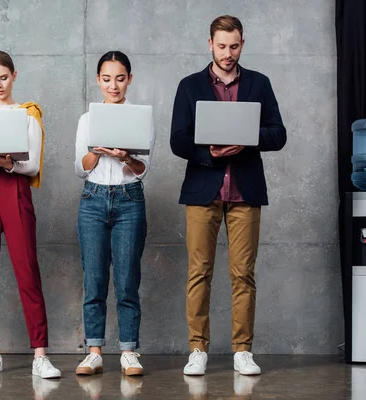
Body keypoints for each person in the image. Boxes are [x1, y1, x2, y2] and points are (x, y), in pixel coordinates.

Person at [170, 15, 287, 376]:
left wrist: (248, 138)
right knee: (199, 272)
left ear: (242, 44)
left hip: (245, 189)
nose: (227, 53)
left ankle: (242, 351)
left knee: (243, 274)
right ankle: (197, 349)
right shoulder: (189, 86)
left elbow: (278, 134)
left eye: (234, 46)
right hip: (203, 188)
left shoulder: (259, 84)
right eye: (221, 46)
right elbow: (178, 140)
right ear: (210, 44)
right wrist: (210, 154)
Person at [0, 51, 61, 379]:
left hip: (14, 188)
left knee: (27, 271)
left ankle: (40, 353)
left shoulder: (28, 113)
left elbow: (32, 164)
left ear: (14, 75)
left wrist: (8, 163)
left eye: (3, 77)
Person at [74, 51, 155, 376]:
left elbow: (143, 169)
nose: (113, 85)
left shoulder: (140, 117)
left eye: (120, 78)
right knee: (93, 279)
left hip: (129, 200)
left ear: (129, 80)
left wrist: (125, 156)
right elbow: (79, 169)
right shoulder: (87, 119)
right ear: (98, 81)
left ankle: (128, 350)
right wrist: (96, 151)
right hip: (93, 199)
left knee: (127, 279)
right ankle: (94, 350)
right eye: (107, 79)